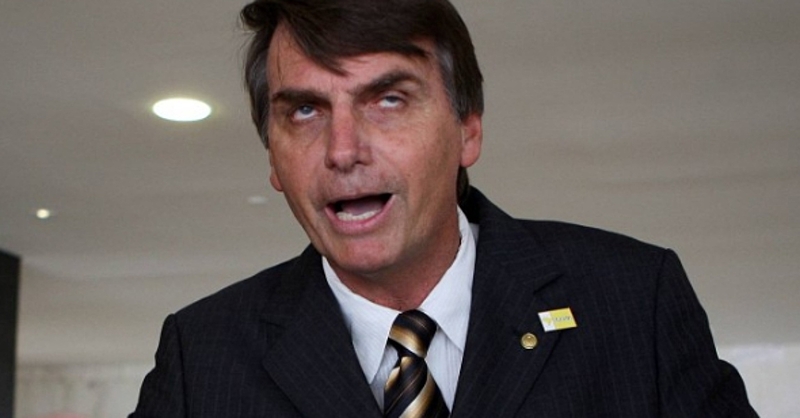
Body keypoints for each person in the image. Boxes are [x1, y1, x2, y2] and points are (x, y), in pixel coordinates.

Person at [131, 0, 758, 416]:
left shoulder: (633, 300)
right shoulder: (200, 358)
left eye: (388, 100)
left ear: (467, 130)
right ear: (272, 155)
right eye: (304, 111)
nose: (343, 151)